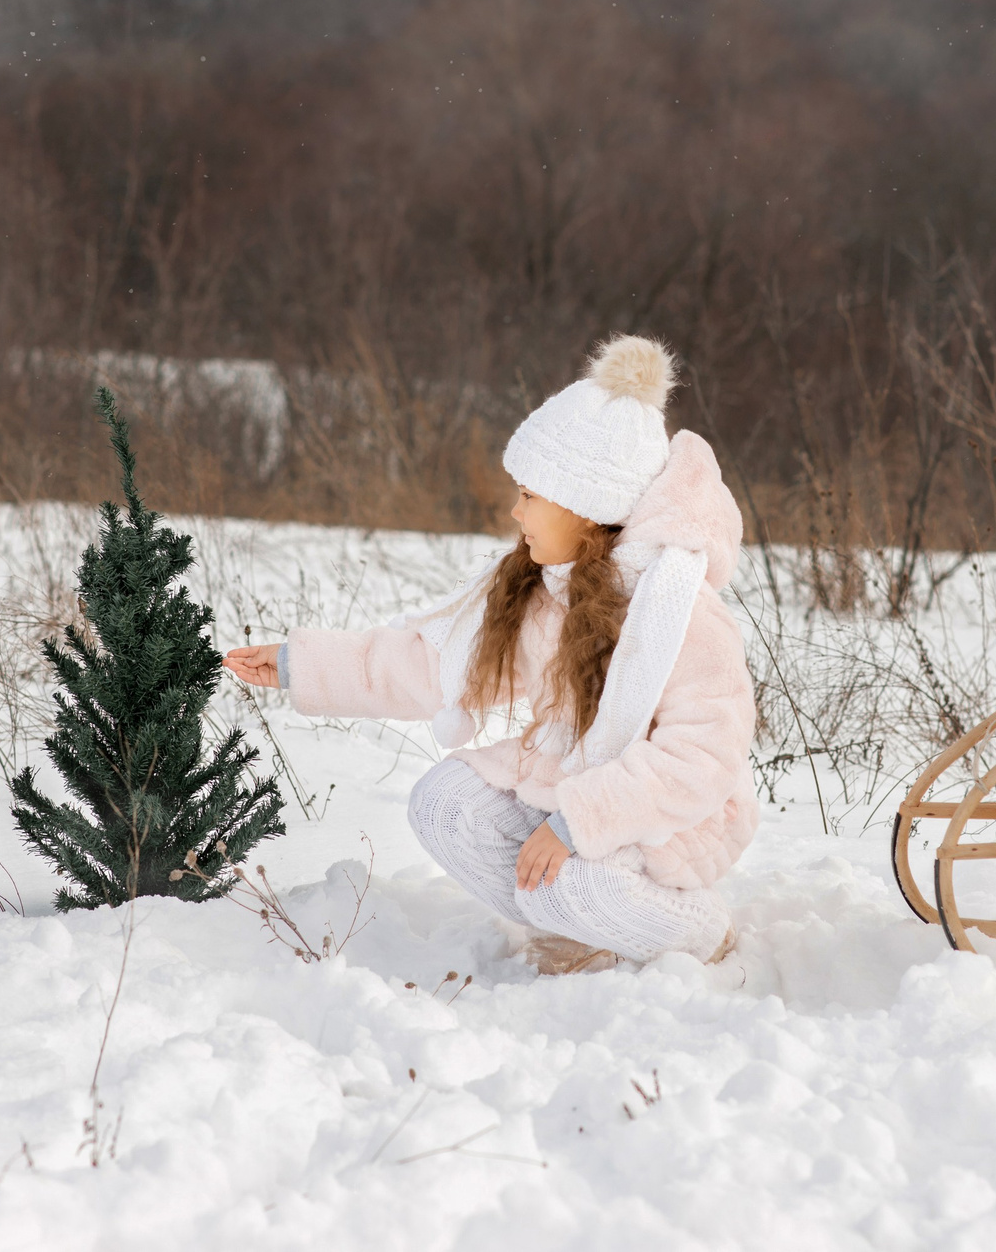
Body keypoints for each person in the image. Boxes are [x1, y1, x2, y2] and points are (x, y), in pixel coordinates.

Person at [223, 336, 756, 974]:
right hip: (566, 778)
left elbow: (703, 758)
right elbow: (429, 665)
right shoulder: (544, 592)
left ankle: (696, 932)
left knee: (577, 884)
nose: (515, 509)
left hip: (668, 818)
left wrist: (579, 822)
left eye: (531, 494)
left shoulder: (683, 613)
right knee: (443, 803)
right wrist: (298, 665)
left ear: (588, 509)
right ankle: (576, 930)